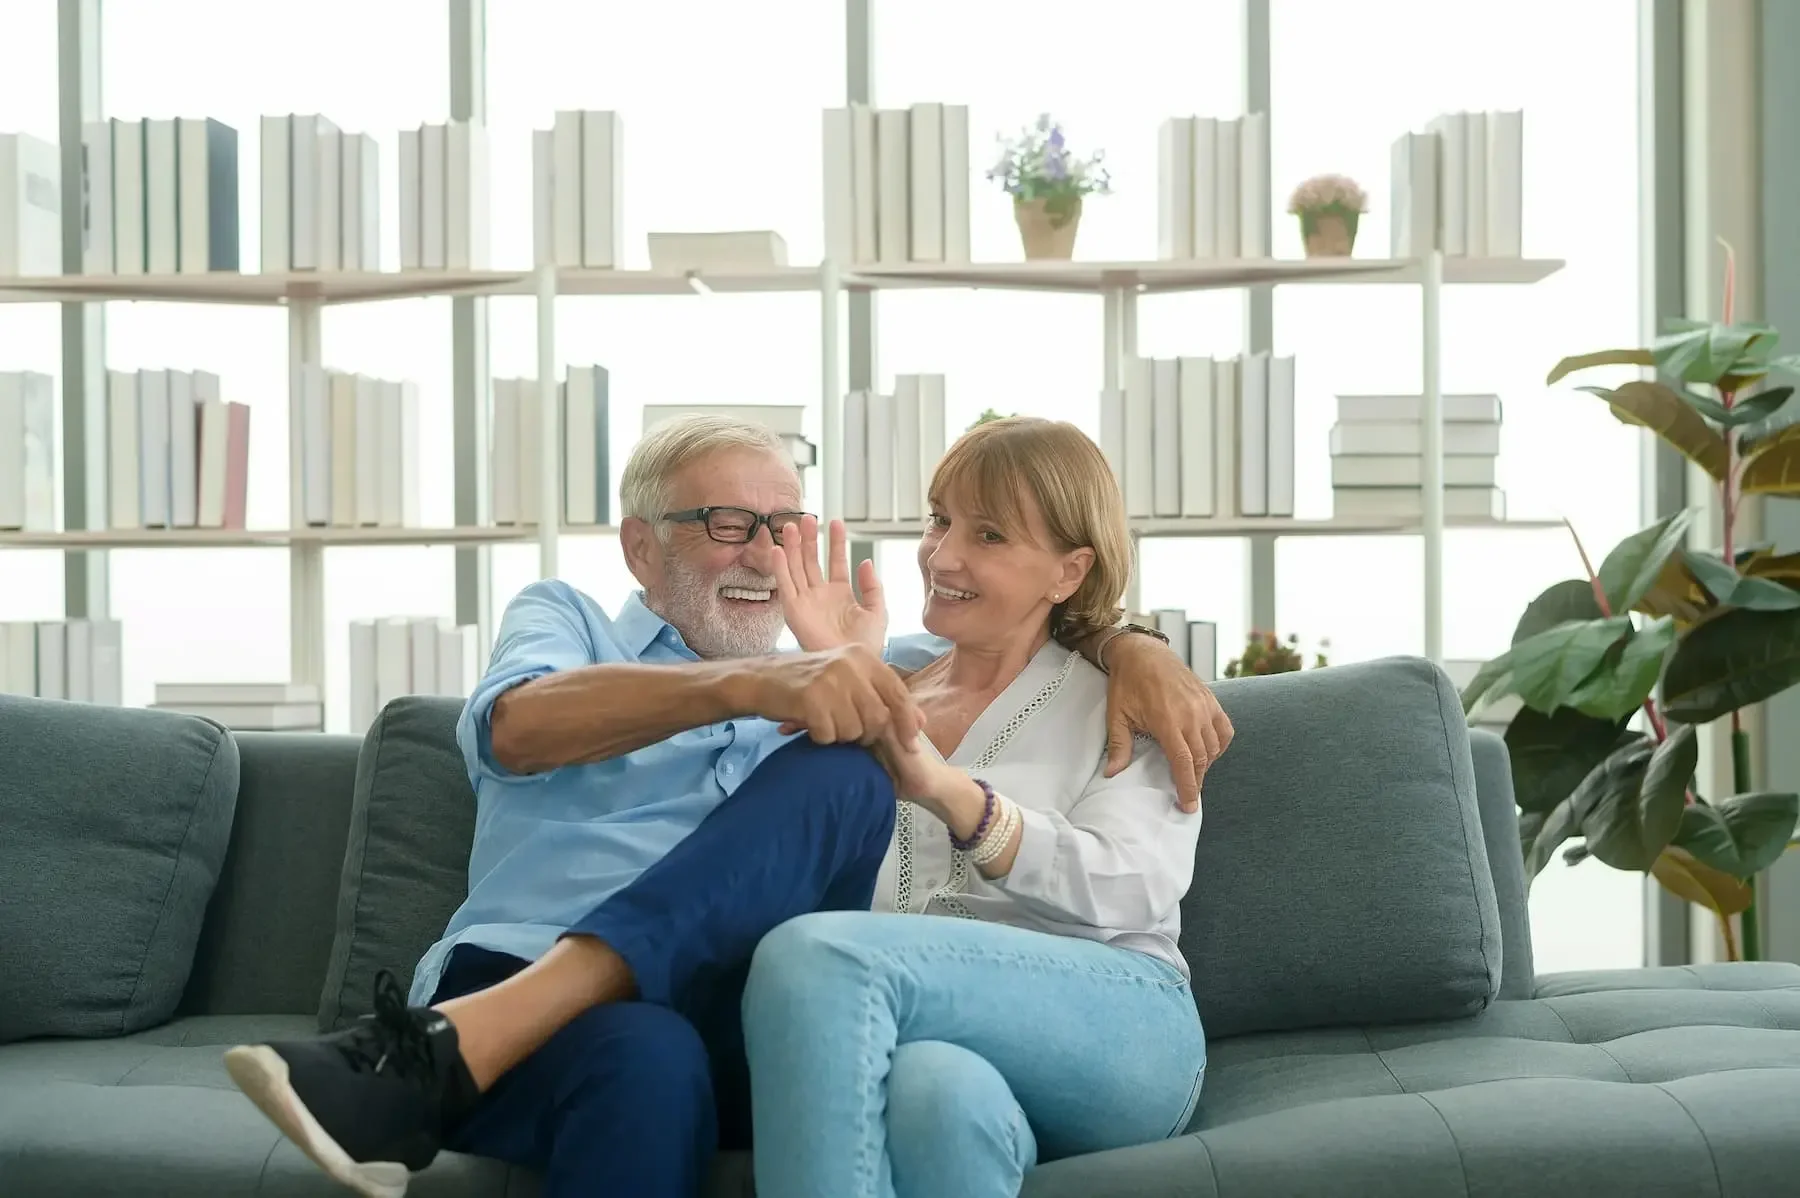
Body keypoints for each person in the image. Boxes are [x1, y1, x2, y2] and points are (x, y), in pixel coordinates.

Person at [221, 413, 1232, 1198]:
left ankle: (445, 1054)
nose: (762, 552)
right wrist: (760, 684)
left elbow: (1037, 642)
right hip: (539, 977)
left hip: (745, 1007)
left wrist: (1134, 645)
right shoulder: (576, 626)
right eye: (726, 524)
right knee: (653, 1061)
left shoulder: (853, 678)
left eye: (783, 527)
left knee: (843, 777)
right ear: (639, 547)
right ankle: (486, 1030)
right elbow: (518, 728)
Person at [743, 416, 1208, 1197]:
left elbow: (1133, 886)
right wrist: (839, 675)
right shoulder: (887, 687)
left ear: (1069, 570)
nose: (943, 555)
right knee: (935, 1096)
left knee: (814, 955)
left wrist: (955, 796)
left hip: (1124, 1026)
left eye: (989, 535)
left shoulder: (1122, 700)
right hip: (930, 1034)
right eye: (940, 520)